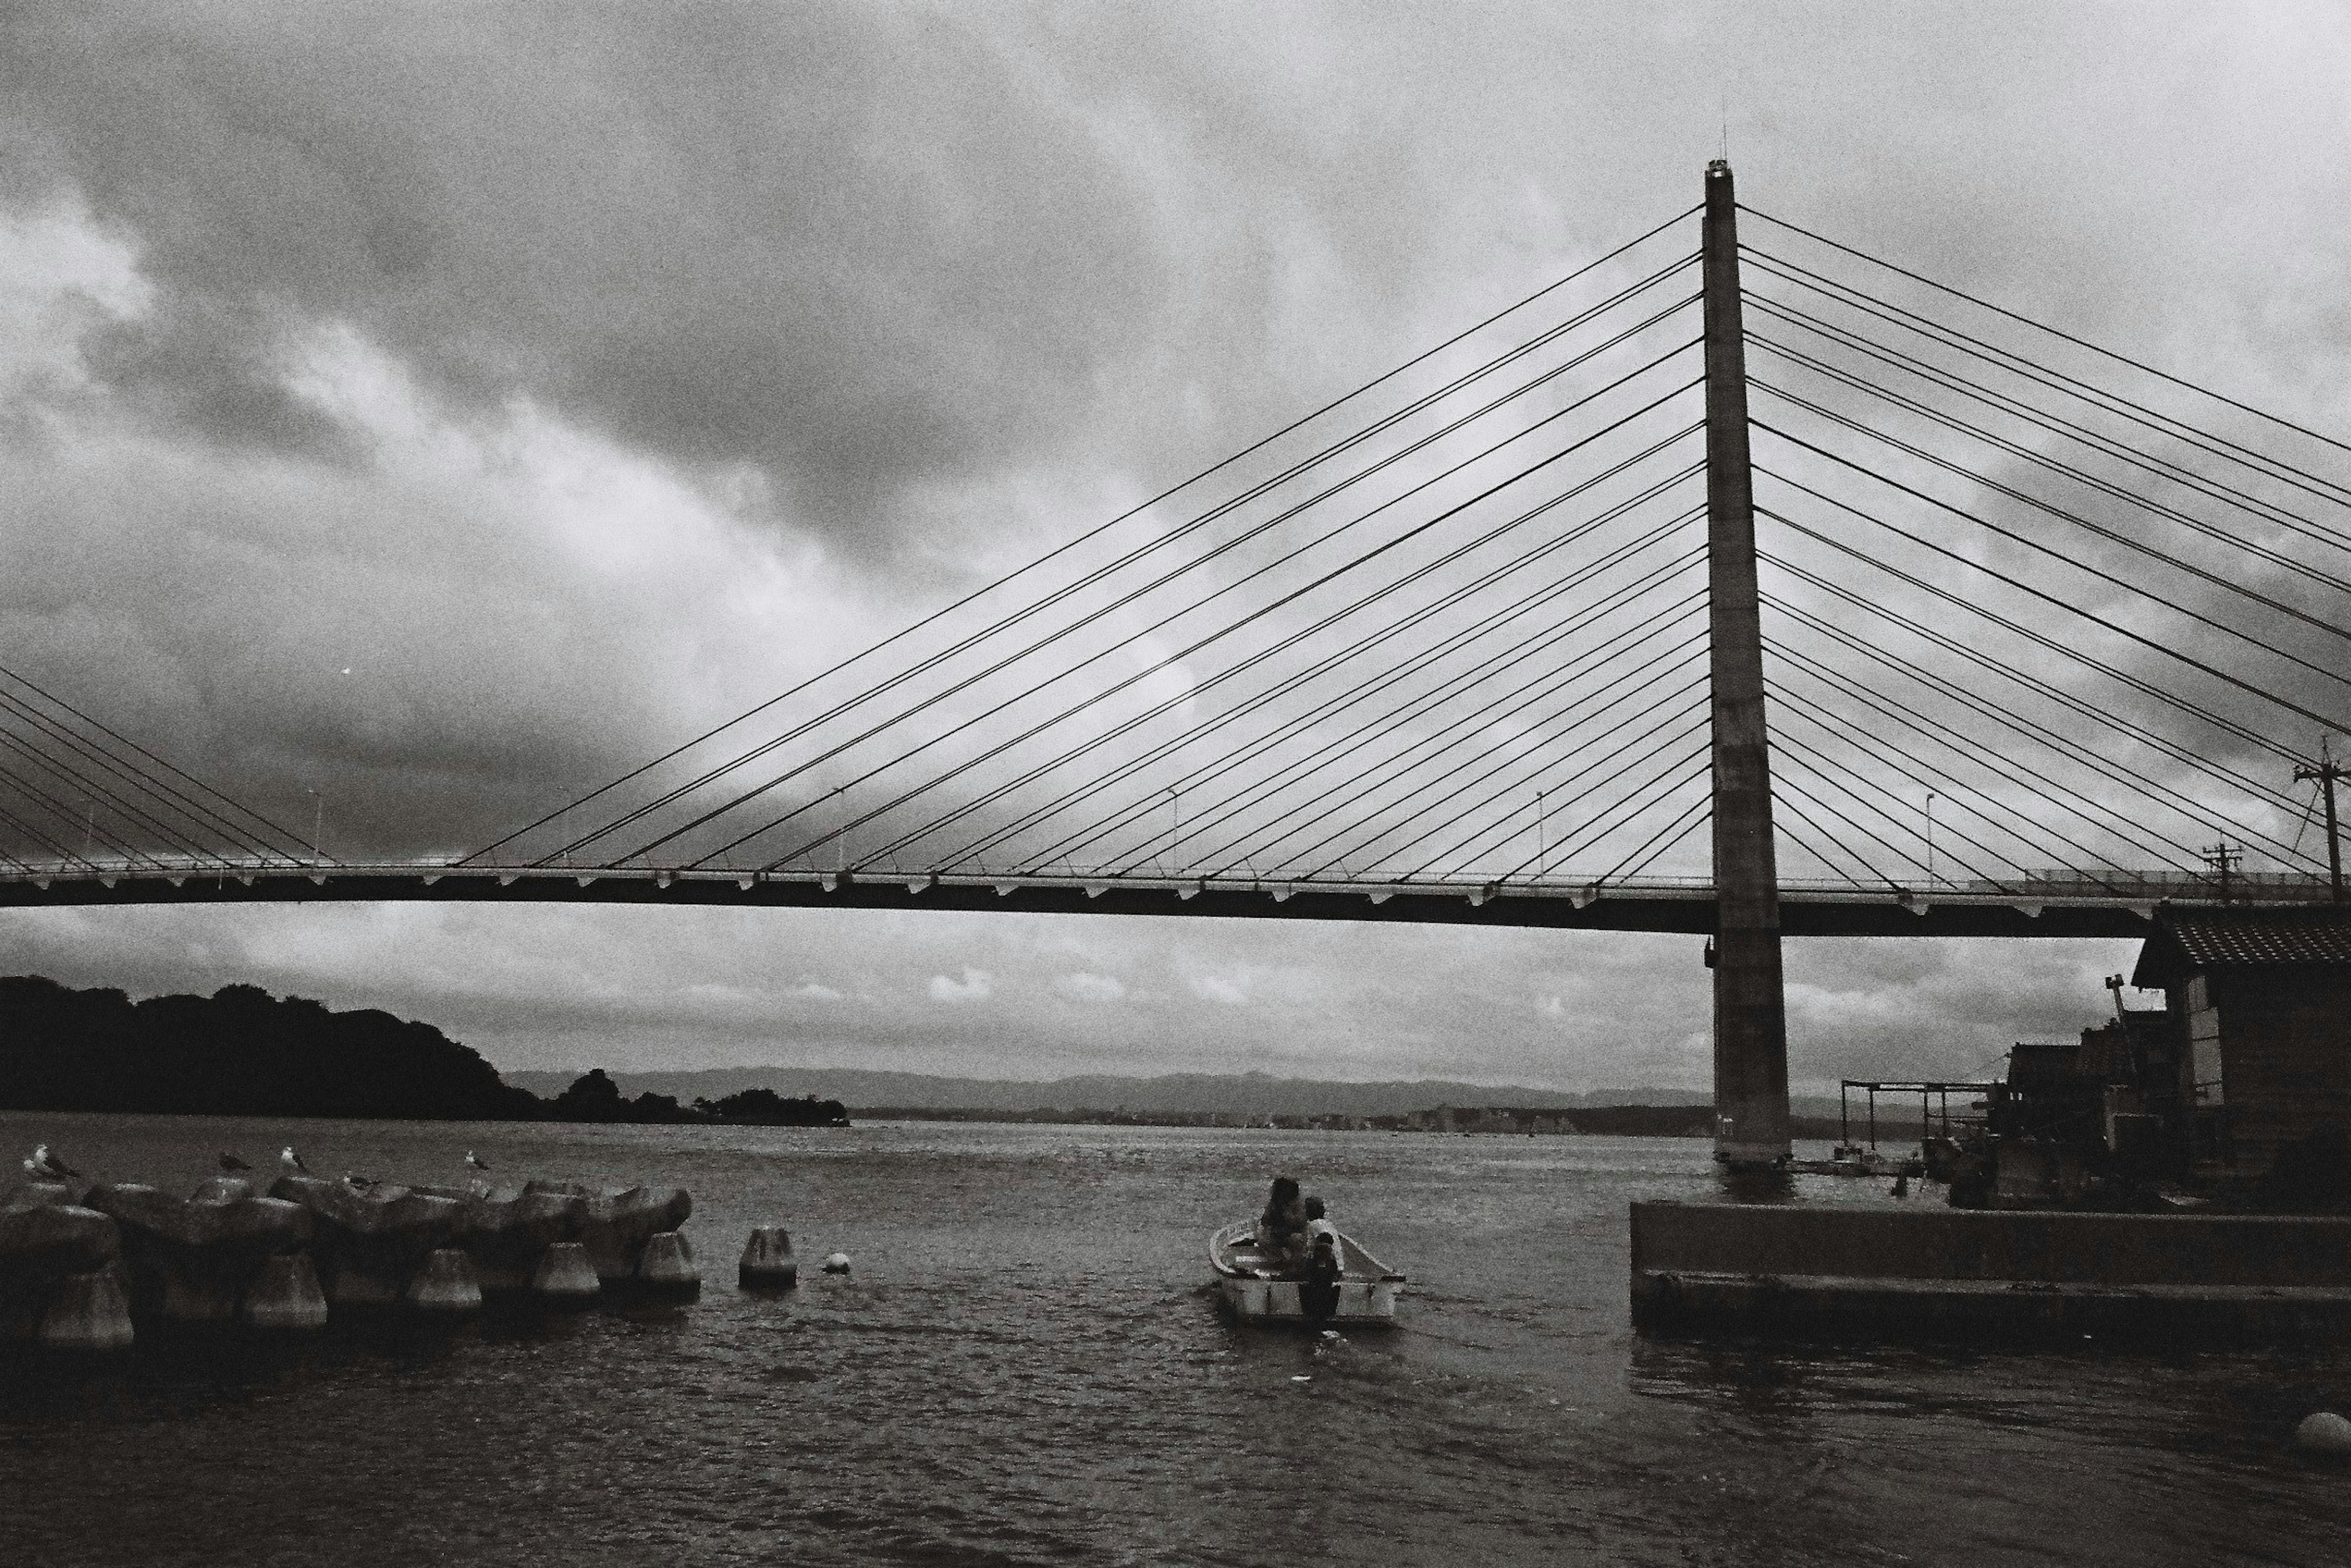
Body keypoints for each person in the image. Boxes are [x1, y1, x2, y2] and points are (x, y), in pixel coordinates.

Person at [1258, 1176, 1307, 1272]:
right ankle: (1279, 1261)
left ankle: (1297, 1265)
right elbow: (1265, 1221)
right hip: (1278, 1234)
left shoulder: (1298, 1204)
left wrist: (1286, 1211)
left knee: (1296, 1240)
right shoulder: (1274, 1203)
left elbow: (1300, 1222)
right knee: (1263, 1241)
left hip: (1295, 1234)